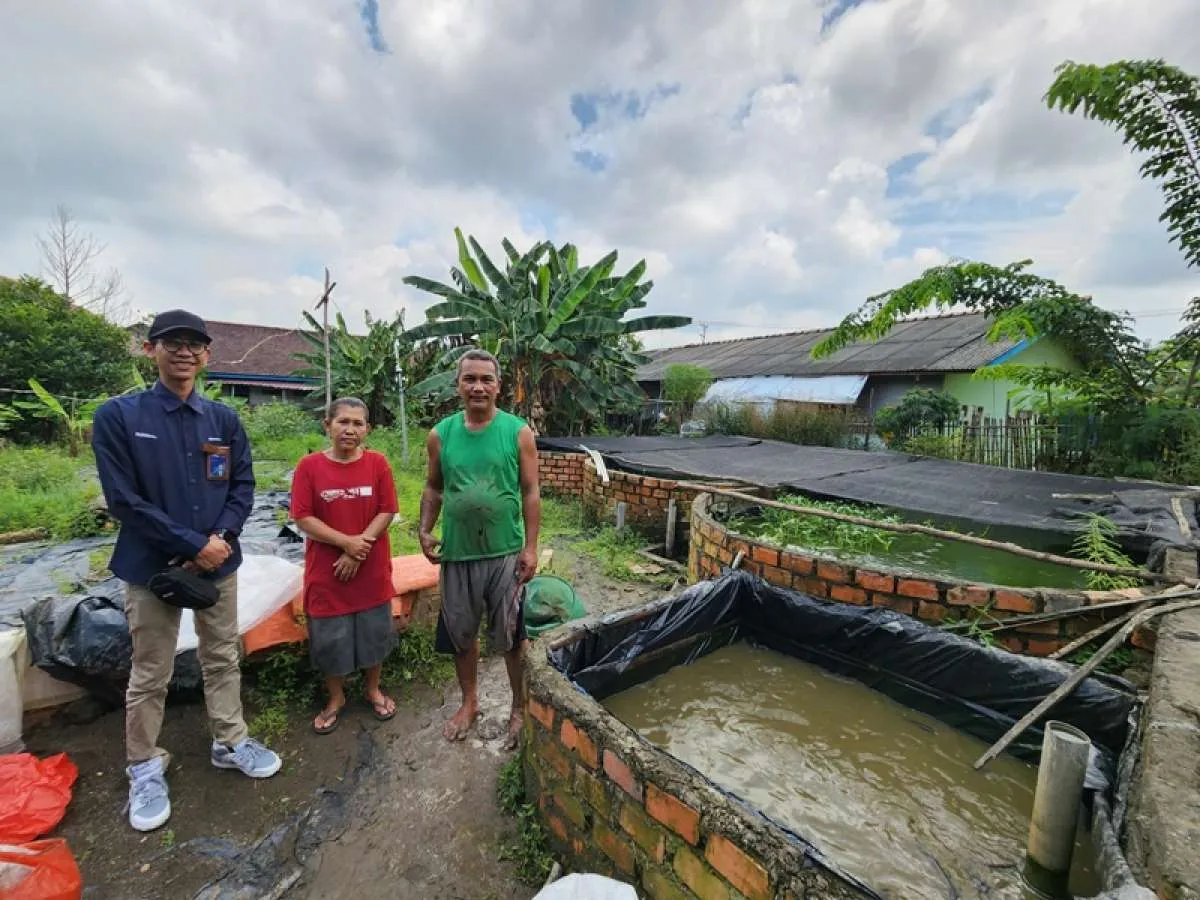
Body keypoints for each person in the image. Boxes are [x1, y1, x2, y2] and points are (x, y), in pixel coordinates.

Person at [91, 309, 281, 833]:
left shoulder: (222, 420)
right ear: (151, 350)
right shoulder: (120, 417)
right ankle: (144, 764)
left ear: (206, 355)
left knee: (222, 655)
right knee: (151, 670)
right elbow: (123, 500)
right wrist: (191, 543)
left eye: (194, 344)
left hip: (219, 563)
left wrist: (218, 541)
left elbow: (242, 486)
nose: (183, 351)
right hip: (152, 567)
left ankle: (230, 739)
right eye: (171, 342)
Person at [419, 348, 540, 747]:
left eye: (486, 379)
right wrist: (424, 529)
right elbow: (434, 487)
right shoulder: (441, 434)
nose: (478, 386)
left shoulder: (517, 432)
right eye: (469, 379)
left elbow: (530, 490)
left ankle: (518, 708)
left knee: (510, 637)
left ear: (498, 387)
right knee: (461, 635)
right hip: (458, 554)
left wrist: (531, 547)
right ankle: (470, 703)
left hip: (505, 553)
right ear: (458, 386)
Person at [289, 398, 400, 734]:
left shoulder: (378, 464)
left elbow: (387, 510)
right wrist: (344, 542)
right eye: (343, 422)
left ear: (367, 429)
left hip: (370, 569)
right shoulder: (309, 467)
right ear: (327, 425)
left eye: (357, 423)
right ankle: (335, 698)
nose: (350, 430)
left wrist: (356, 549)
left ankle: (372, 689)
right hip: (328, 572)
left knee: (374, 634)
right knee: (330, 638)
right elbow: (303, 517)